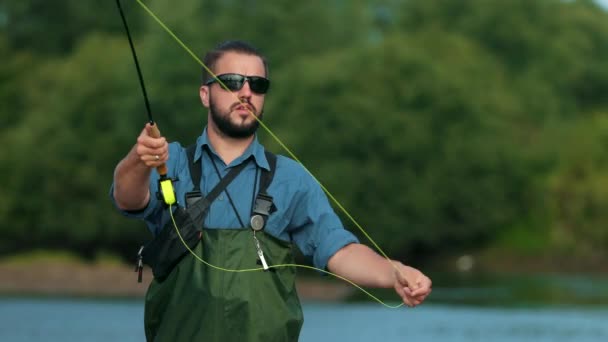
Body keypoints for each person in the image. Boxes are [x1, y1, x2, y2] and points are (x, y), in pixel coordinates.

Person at [111, 40, 432, 342]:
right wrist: (139, 160)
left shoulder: (291, 178)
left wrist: (393, 272)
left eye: (257, 84)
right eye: (232, 81)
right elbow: (127, 197)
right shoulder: (174, 163)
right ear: (205, 95)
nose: (246, 92)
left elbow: (340, 251)